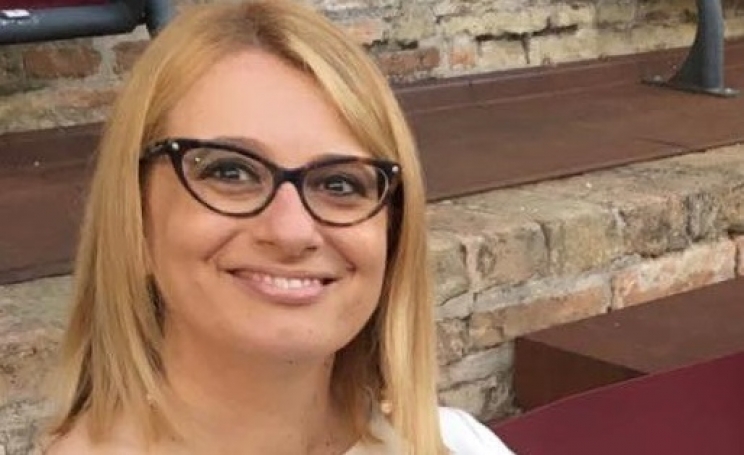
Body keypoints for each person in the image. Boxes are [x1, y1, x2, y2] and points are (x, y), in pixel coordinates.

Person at [43, 1, 514, 454]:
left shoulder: (457, 444)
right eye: (230, 172)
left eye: (339, 183)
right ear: (134, 218)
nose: (292, 232)